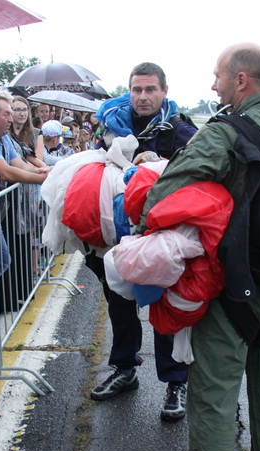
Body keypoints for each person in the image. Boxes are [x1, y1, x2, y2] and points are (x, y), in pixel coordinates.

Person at [138, 43, 260, 451]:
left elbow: (167, 189)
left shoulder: (226, 133)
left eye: (218, 77)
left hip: (232, 284)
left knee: (214, 392)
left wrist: (146, 215)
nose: (213, 85)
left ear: (242, 80)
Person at [88, 62, 197, 421]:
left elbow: (199, 172)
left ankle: (175, 381)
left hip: (163, 232)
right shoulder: (111, 125)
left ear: (164, 91)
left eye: (150, 89)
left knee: (165, 308)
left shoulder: (180, 130)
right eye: (136, 89)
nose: (143, 96)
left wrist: (157, 163)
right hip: (118, 233)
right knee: (119, 303)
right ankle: (124, 368)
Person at [0, 93, 49, 312]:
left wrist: (45, 171)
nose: (11, 118)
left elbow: (20, 164)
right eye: (6, 114)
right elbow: (5, 172)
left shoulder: (2, 136)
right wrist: (44, 178)